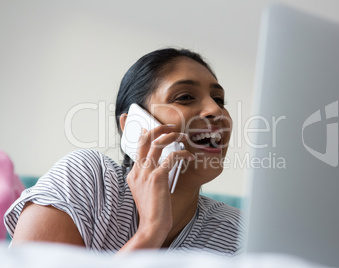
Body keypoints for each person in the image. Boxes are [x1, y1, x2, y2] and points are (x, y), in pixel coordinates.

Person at [4, 48, 245, 256]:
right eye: (184, 97)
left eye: (219, 99)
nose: (215, 110)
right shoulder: (87, 178)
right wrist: (151, 231)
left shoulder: (240, 233)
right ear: (134, 127)